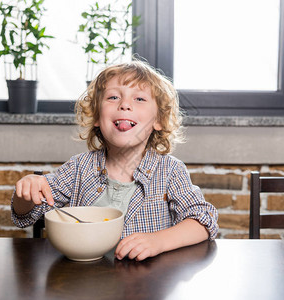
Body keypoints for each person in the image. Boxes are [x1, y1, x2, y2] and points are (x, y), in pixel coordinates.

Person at [11, 60, 218, 261]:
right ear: (97, 118)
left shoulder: (170, 171)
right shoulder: (79, 168)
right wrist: (27, 192)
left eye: (139, 99)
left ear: (158, 121)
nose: (125, 105)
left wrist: (158, 241)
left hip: (148, 285)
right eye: (112, 97)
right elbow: (25, 216)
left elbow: (203, 220)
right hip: (83, 280)